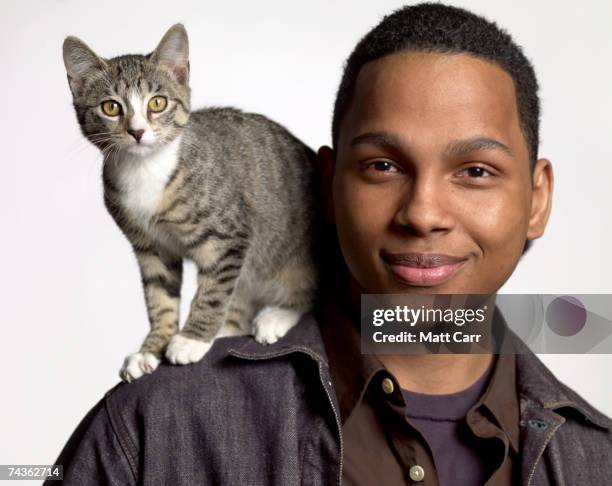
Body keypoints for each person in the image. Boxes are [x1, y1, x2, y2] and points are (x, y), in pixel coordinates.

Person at [46, 3, 612, 485]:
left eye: (476, 171)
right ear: (327, 185)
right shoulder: (151, 428)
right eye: (383, 165)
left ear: (537, 200)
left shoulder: (597, 459)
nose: (423, 214)